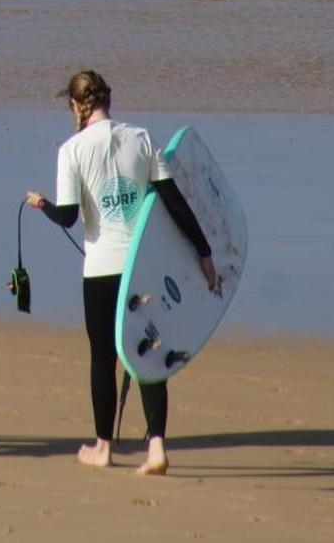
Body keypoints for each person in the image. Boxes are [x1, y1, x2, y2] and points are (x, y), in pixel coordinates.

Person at [25, 68, 217, 477]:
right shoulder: (142, 138)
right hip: (143, 265)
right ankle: (157, 448)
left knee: (103, 357)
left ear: (78, 105)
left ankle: (103, 447)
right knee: (149, 351)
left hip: (101, 271)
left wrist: (41, 204)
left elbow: (70, 217)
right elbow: (173, 201)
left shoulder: (72, 150)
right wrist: (204, 252)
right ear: (107, 101)